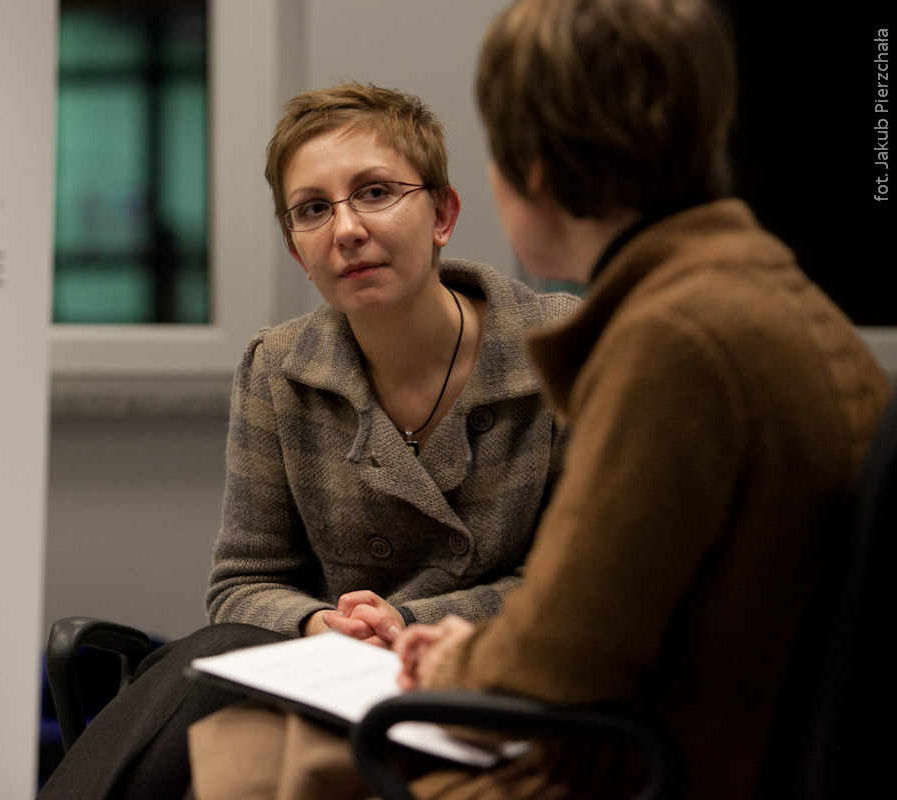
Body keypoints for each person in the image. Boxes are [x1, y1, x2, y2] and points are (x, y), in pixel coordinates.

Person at [186, 1, 894, 799]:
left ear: (530, 170)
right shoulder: (760, 293)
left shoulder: (670, 342)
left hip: (621, 768)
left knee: (235, 759)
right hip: (673, 746)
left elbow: (559, 655)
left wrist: (439, 653)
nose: (347, 229)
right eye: (314, 209)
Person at [37, 83, 578, 800]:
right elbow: (242, 583)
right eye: (313, 209)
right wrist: (319, 624)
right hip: (333, 688)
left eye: (375, 193)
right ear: (297, 249)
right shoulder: (279, 368)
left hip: (494, 686)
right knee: (214, 657)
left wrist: (407, 622)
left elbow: (573, 589)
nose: (345, 229)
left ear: (443, 215)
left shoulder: (558, 347)